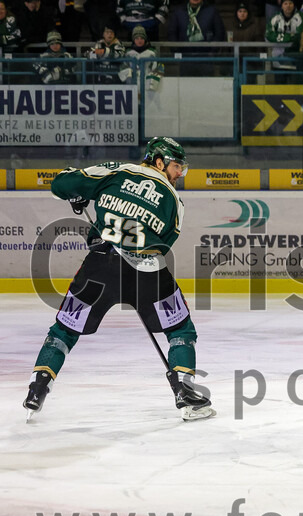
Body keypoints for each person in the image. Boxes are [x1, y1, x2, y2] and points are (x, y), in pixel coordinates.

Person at [23, 137, 215, 422]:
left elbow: (61, 183)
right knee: (180, 331)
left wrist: (79, 195)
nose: (179, 175)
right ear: (159, 161)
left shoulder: (117, 171)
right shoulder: (175, 201)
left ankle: (37, 389)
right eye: (177, 167)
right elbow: (164, 244)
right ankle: (186, 393)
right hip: (148, 272)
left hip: (99, 266)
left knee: (64, 330)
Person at [265, 0, 302, 75]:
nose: (288, 6)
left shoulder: (301, 17)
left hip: (295, 60)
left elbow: (300, 36)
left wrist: (279, 37)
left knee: (295, 86)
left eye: (290, 3)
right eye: (285, 3)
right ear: (281, 5)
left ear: (294, 5)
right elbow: (268, 35)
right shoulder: (274, 17)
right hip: (278, 61)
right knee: (280, 85)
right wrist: (290, 37)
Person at [126, 25, 163, 91]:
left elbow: (159, 67)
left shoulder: (152, 52)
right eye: (137, 38)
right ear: (133, 40)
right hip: (132, 86)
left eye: (142, 38)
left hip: (148, 86)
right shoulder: (128, 53)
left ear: (145, 39)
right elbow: (123, 66)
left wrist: (153, 78)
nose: (139, 41)